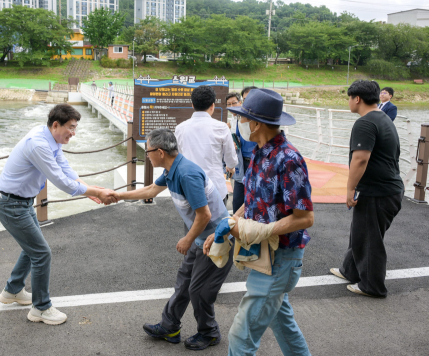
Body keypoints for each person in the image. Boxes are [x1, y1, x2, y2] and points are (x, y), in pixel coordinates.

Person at [205, 88, 314, 356]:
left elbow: (305, 217)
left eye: (242, 118)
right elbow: (252, 200)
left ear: (256, 123)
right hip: (264, 256)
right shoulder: (259, 153)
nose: (239, 123)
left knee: (241, 337)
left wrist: (262, 230)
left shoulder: (289, 160)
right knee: (282, 323)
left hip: (281, 258)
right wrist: (228, 226)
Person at [0, 104, 117, 326]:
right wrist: (95, 191)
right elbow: (60, 181)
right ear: (56, 124)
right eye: (71, 127)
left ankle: (12, 290)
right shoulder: (39, 145)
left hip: (20, 202)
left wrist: (88, 189)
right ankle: (40, 309)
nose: (73, 133)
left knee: (32, 248)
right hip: (11, 205)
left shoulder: (52, 139)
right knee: (41, 253)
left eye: (76, 128)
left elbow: (65, 169)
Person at [114, 129, 232, 351]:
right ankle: (170, 327)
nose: (146, 155)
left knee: (199, 290)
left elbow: (204, 214)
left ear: (159, 152)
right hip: (199, 237)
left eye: (147, 151)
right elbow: (150, 190)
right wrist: (116, 196)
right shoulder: (171, 170)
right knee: (183, 283)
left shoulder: (186, 174)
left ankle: (209, 332)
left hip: (217, 239)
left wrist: (187, 239)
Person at [331, 80, 404, 298]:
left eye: (349, 98)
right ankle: (350, 270)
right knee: (361, 233)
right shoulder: (383, 118)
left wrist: (350, 188)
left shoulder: (364, 123)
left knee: (370, 239)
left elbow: (361, 158)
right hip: (388, 189)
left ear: (357, 99)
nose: (348, 102)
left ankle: (372, 285)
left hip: (378, 192)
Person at [175, 85, 238, 206]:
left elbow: (179, 158)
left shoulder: (180, 128)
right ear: (212, 105)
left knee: (193, 224)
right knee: (218, 224)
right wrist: (231, 167)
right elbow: (231, 158)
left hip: (190, 189)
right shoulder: (221, 127)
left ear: (192, 105)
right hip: (215, 188)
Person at [231, 87, 258, 214]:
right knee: (237, 200)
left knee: (255, 198)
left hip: (257, 162)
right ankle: (237, 228)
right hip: (243, 163)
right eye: (245, 100)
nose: (247, 103)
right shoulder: (240, 118)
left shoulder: (262, 120)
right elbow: (236, 138)